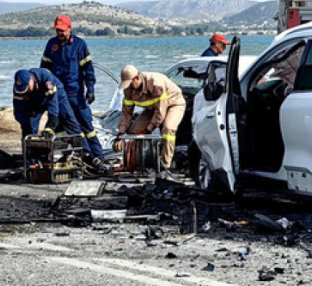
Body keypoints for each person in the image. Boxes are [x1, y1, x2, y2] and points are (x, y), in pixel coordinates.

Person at [40, 15, 104, 162]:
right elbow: (44, 69)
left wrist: (91, 89)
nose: (60, 33)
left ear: (70, 28)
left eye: (62, 30)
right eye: (58, 30)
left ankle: (98, 156)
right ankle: (68, 156)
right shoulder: (51, 44)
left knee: (86, 124)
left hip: (75, 93)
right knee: (61, 126)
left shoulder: (80, 45)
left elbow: (88, 69)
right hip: (58, 94)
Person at [117, 64, 186, 174]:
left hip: (173, 104)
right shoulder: (128, 90)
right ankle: (139, 163)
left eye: (130, 84)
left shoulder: (156, 84)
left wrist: (148, 130)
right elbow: (126, 113)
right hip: (152, 108)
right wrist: (121, 132)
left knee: (168, 129)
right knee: (135, 131)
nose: (129, 87)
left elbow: (160, 112)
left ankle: (165, 165)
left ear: (137, 77)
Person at [11, 68, 90, 158]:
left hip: (57, 97)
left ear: (31, 80)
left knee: (69, 121)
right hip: (36, 102)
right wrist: (26, 125)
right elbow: (19, 111)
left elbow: (53, 108)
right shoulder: (18, 89)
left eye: (27, 89)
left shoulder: (47, 80)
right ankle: (31, 160)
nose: (25, 91)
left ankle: (86, 153)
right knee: (29, 133)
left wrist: (49, 127)